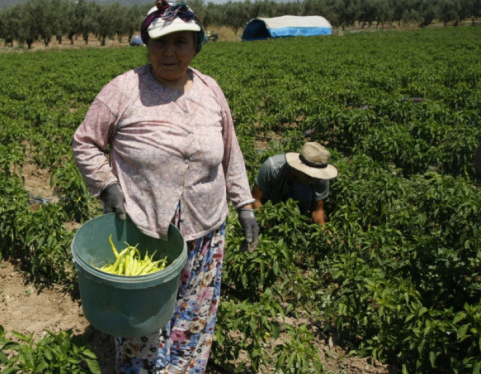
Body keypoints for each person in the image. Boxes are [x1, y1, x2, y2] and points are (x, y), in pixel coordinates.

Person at [72, 1, 259, 372]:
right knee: (142, 325)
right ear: (147, 44)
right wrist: (107, 185)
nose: (170, 52)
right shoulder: (124, 90)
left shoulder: (210, 90)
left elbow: (230, 152)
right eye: (160, 43)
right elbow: (85, 142)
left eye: (181, 42)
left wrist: (245, 206)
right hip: (145, 231)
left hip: (204, 232)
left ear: (196, 45)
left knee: (193, 318)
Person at [252, 142, 339, 225]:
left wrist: (324, 234)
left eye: (315, 177)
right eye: (309, 176)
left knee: (302, 189)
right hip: (268, 204)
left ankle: (298, 218)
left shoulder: (320, 177)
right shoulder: (272, 167)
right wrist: (267, 224)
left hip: (295, 209)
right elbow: (256, 199)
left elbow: (318, 210)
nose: (313, 181)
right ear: (299, 168)